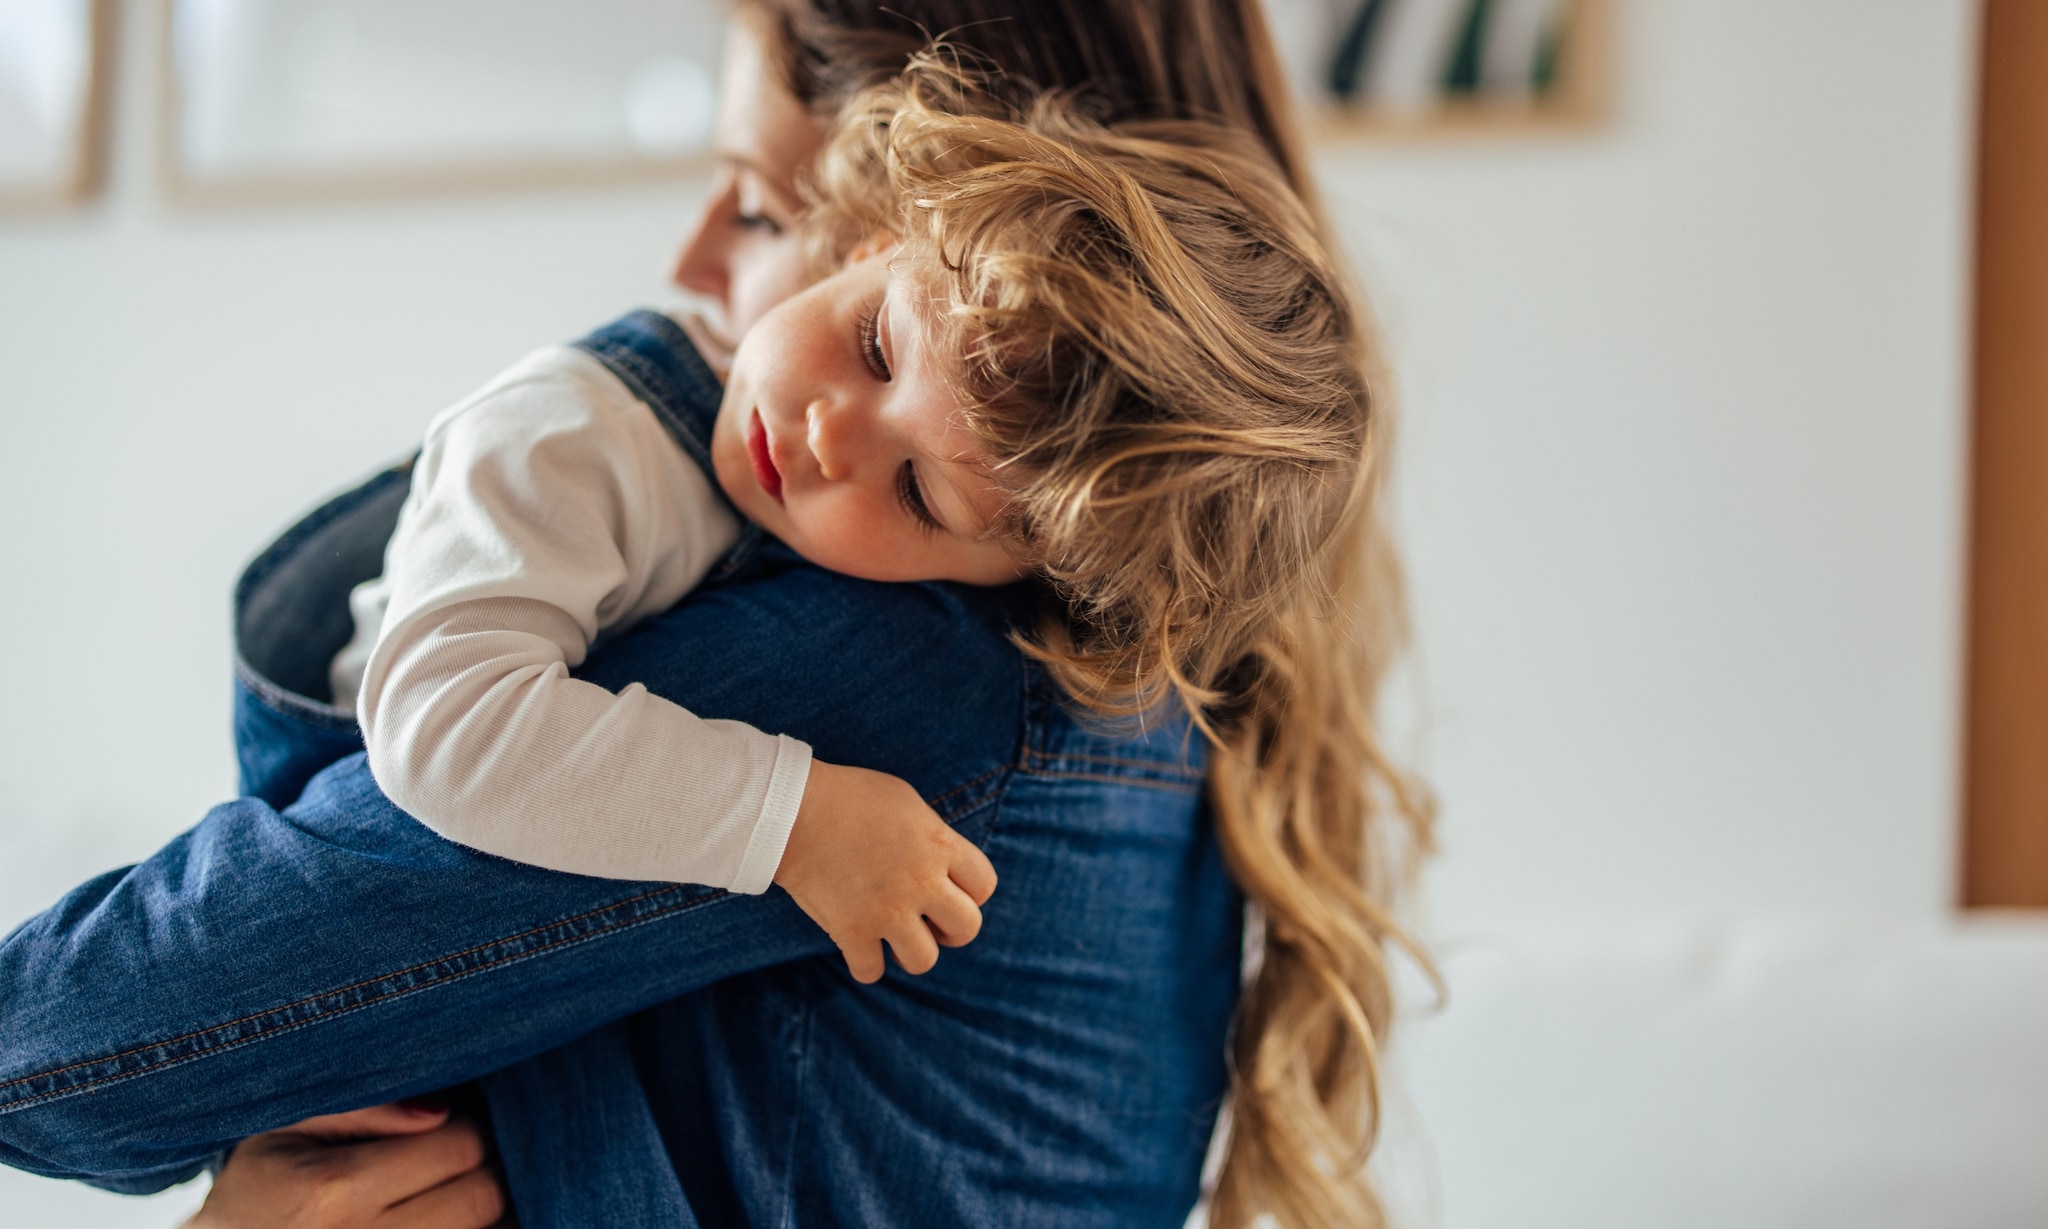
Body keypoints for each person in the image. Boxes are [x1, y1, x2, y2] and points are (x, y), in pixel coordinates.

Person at [1, 7, 1430, 1229]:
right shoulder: (1137, 680)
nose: (690, 266)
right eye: (871, 336)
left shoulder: (908, 686)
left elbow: (57, 1049)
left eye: (759, 206)